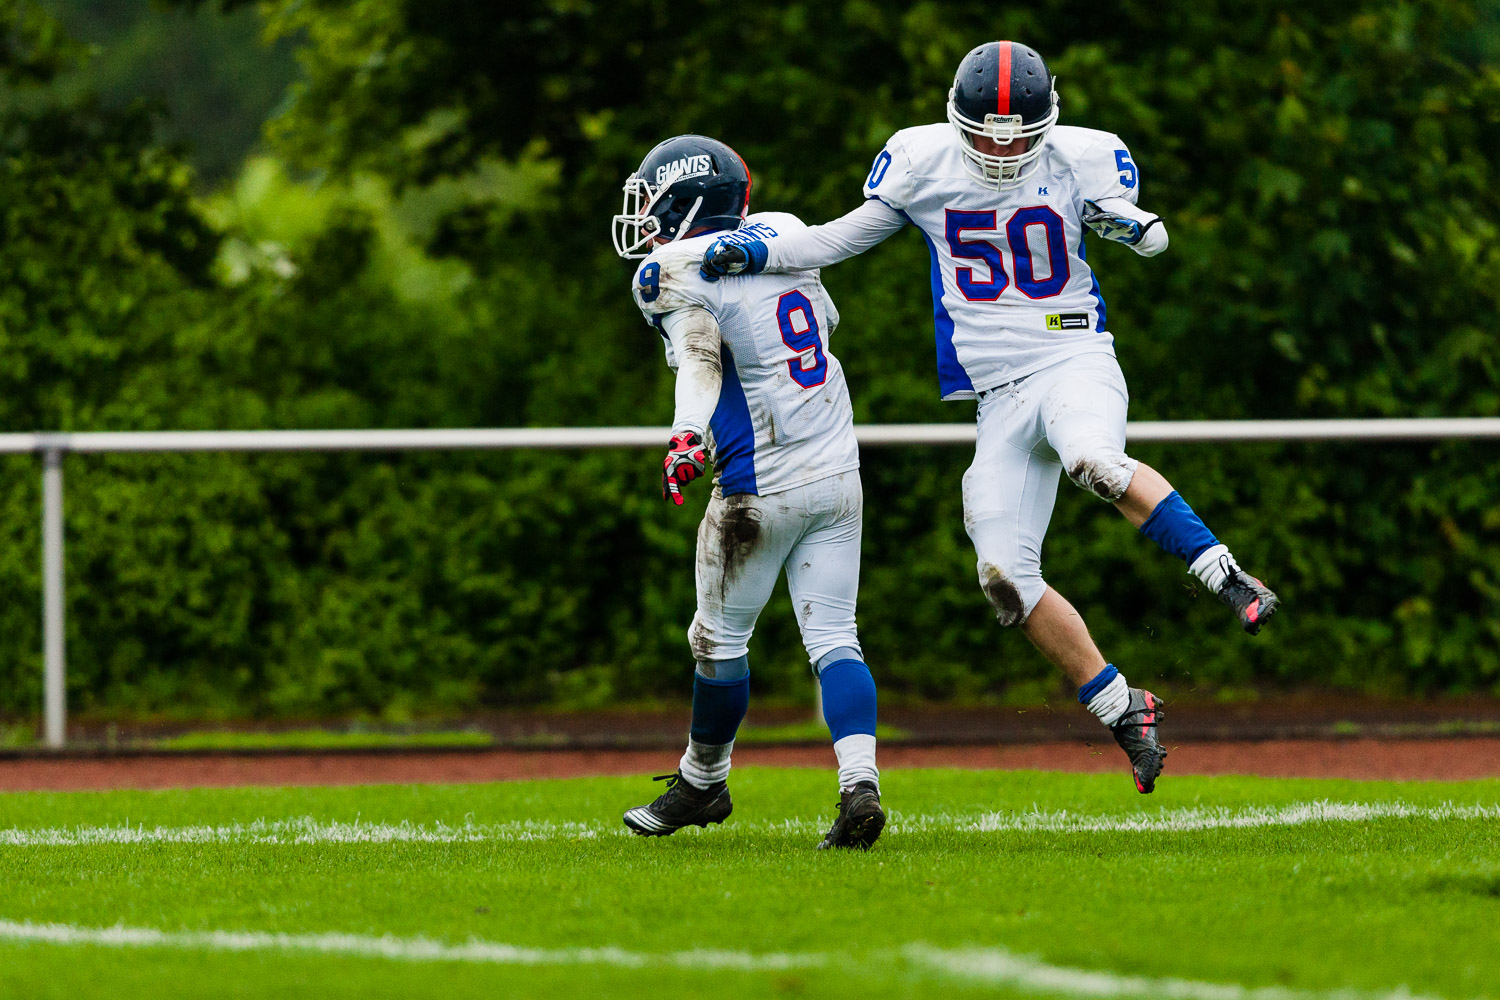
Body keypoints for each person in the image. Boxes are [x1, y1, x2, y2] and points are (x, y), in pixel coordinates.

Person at [700, 42, 1280, 794]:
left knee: (1091, 460)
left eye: (1018, 135)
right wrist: (755, 253)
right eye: (986, 134)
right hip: (998, 396)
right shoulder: (922, 161)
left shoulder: (1082, 159)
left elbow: (1155, 234)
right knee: (1003, 575)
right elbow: (839, 238)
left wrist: (1127, 227)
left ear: (1047, 124)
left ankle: (1228, 577)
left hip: (1073, 358)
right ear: (956, 119)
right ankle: (1121, 708)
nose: (1002, 150)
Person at [612, 134, 885, 848]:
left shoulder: (670, 270)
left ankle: (704, 781)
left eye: (651, 202)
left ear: (684, 201)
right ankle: (860, 784)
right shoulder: (787, 232)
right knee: (834, 639)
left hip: (757, 487)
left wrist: (686, 436)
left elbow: (698, 360)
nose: (644, 221)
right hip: (837, 468)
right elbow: (826, 323)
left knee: (717, 641)